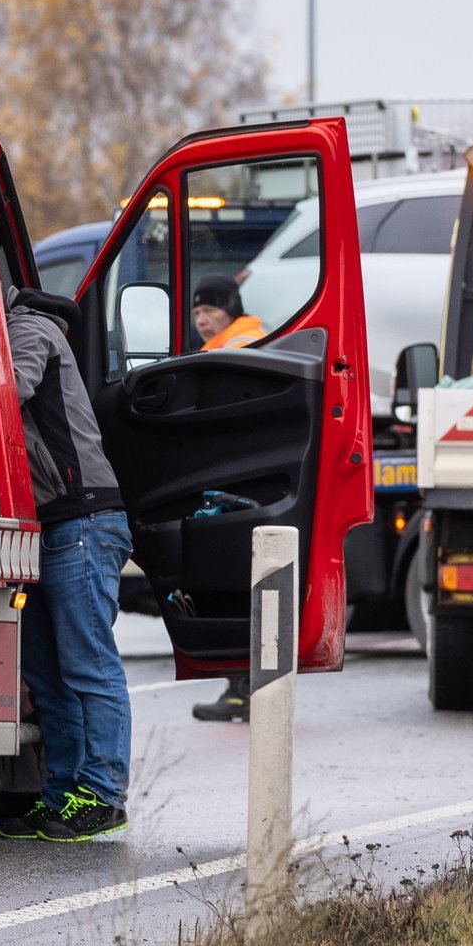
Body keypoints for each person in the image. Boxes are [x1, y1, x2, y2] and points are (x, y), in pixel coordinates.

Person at [0, 287, 132, 842]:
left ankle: (104, 794)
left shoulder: (29, 329)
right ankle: (63, 793)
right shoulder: (23, 330)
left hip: (83, 522)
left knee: (88, 666)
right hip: (50, 526)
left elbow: (9, 391)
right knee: (48, 677)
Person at [189, 274, 263, 723]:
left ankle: (243, 690)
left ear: (230, 308)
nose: (201, 319)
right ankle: (244, 689)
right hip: (244, 477)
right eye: (196, 312)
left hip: (238, 479)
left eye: (209, 310)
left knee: (238, 586)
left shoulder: (238, 344)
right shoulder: (232, 341)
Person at [192, 275, 265, 351]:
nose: (200, 321)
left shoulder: (242, 346)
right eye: (197, 313)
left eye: (209, 311)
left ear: (233, 311)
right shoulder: (220, 348)